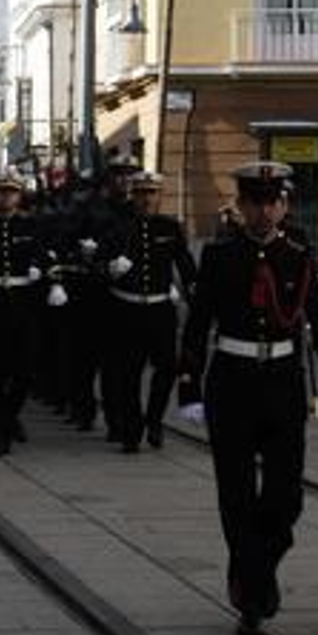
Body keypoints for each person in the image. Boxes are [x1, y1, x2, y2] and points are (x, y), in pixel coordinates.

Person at [177, 161, 318, 635]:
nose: (264, 211)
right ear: (241, 206)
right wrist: (189, 386)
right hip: (233, 382)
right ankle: (252, 596)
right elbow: (198, 324)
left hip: (283, 382)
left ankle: (255, 568)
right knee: (236, 495)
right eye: (254, 202)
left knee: (287, 499)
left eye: (272, 201)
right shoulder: (221, 256)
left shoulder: (298, 255)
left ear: (283, 205)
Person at [102, 171, 197, 453]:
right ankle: (132, 429)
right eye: (141, 193)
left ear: (160, 196)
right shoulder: (118, 226)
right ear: (133, 196)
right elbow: (97, 260)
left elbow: (185, 264)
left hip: (159, 309)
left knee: (167, 368)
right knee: (127, 374)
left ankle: (154, 419)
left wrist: (196, 296)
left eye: (152, 193)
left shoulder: (170, 228)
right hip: (126, 308)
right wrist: (109, 267)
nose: (146, 199)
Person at [0, 170, 50, 456]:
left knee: (25, 373)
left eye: (11, 192)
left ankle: (8, 415)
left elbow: (45, 255)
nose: (5, 196)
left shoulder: (31, 226)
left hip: (22, 303)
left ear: (19, 196)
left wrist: (42, 272)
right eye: (0, 192)